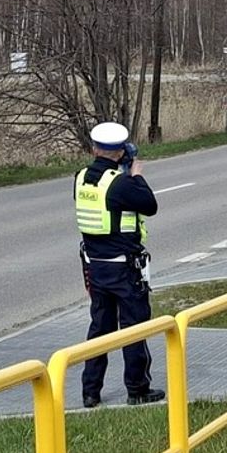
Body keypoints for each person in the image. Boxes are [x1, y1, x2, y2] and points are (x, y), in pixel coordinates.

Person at [75, 122, 164, 408]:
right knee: (133, 327)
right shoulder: (121, 183)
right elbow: (149, 205)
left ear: (93, 148)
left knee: (99, 328)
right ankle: (137, 389)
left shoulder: (80, 178)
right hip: (124, 269)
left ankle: (90, 391)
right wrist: (137, 176)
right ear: (121, 151)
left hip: (95, 267)